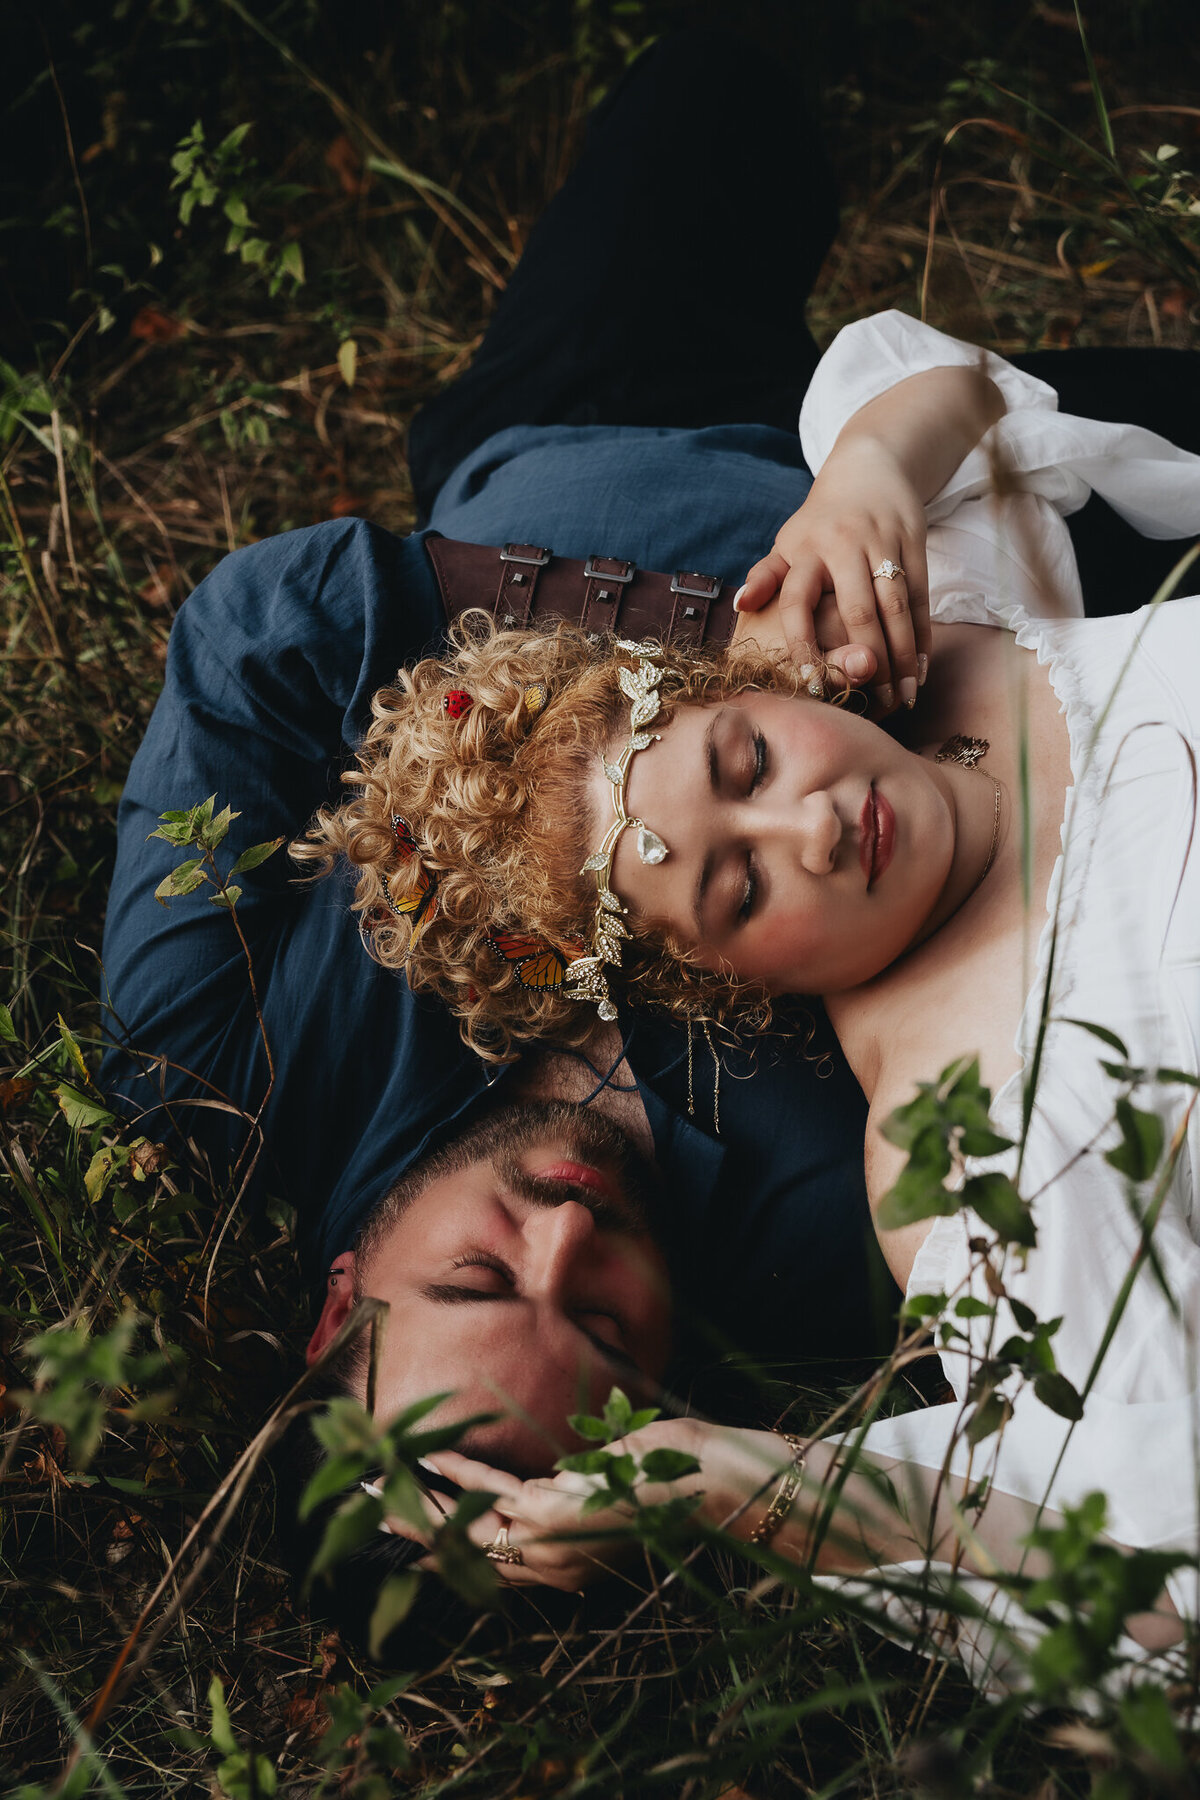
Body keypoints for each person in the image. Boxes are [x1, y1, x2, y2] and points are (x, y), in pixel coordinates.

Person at [304, 304, 1200, 1687]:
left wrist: (868, 475)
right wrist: (750, 1489)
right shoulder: (967, 1138)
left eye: (746, 763)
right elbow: (1148, 1545)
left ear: (749, 683)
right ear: (714, 985)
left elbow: (950, 388)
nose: (813, 827)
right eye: (737, 889)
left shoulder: (936, 649)